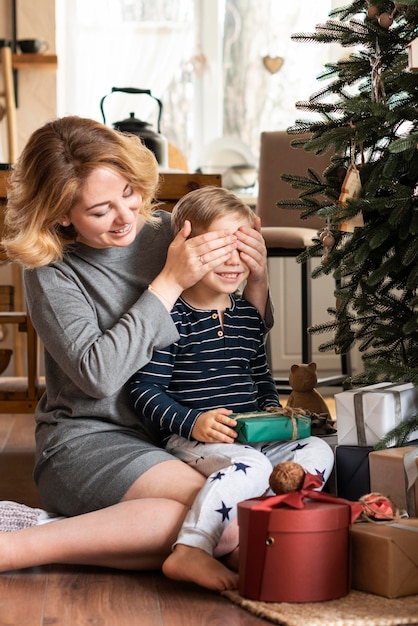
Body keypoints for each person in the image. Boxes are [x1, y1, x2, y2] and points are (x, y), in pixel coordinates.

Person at [0, 115, 272, 589]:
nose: (127, 216)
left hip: (176, 435)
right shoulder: (51, 269)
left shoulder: (171, 230)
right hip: (88, 440)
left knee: (232, 521)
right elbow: (98, 376)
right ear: (63, 214)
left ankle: (49, 529)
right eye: (101, 210)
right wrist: (168, 282)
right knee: (227, 523)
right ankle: (14, 548)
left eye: (129, 192)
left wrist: (257, 273)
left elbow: (241, 336)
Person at [129, 186, 335, 590]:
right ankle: (192, 548)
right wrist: (193, 423)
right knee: (254, 467)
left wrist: (277, 415)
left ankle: (277, 518)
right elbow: (144, 390)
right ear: (184, 248)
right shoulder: (170, 315)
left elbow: (259, 378)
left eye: (242, 246)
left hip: (253, 439)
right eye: (218, 246)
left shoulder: (245, 315)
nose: (232, 260)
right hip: (194, 441)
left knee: (319, 449)